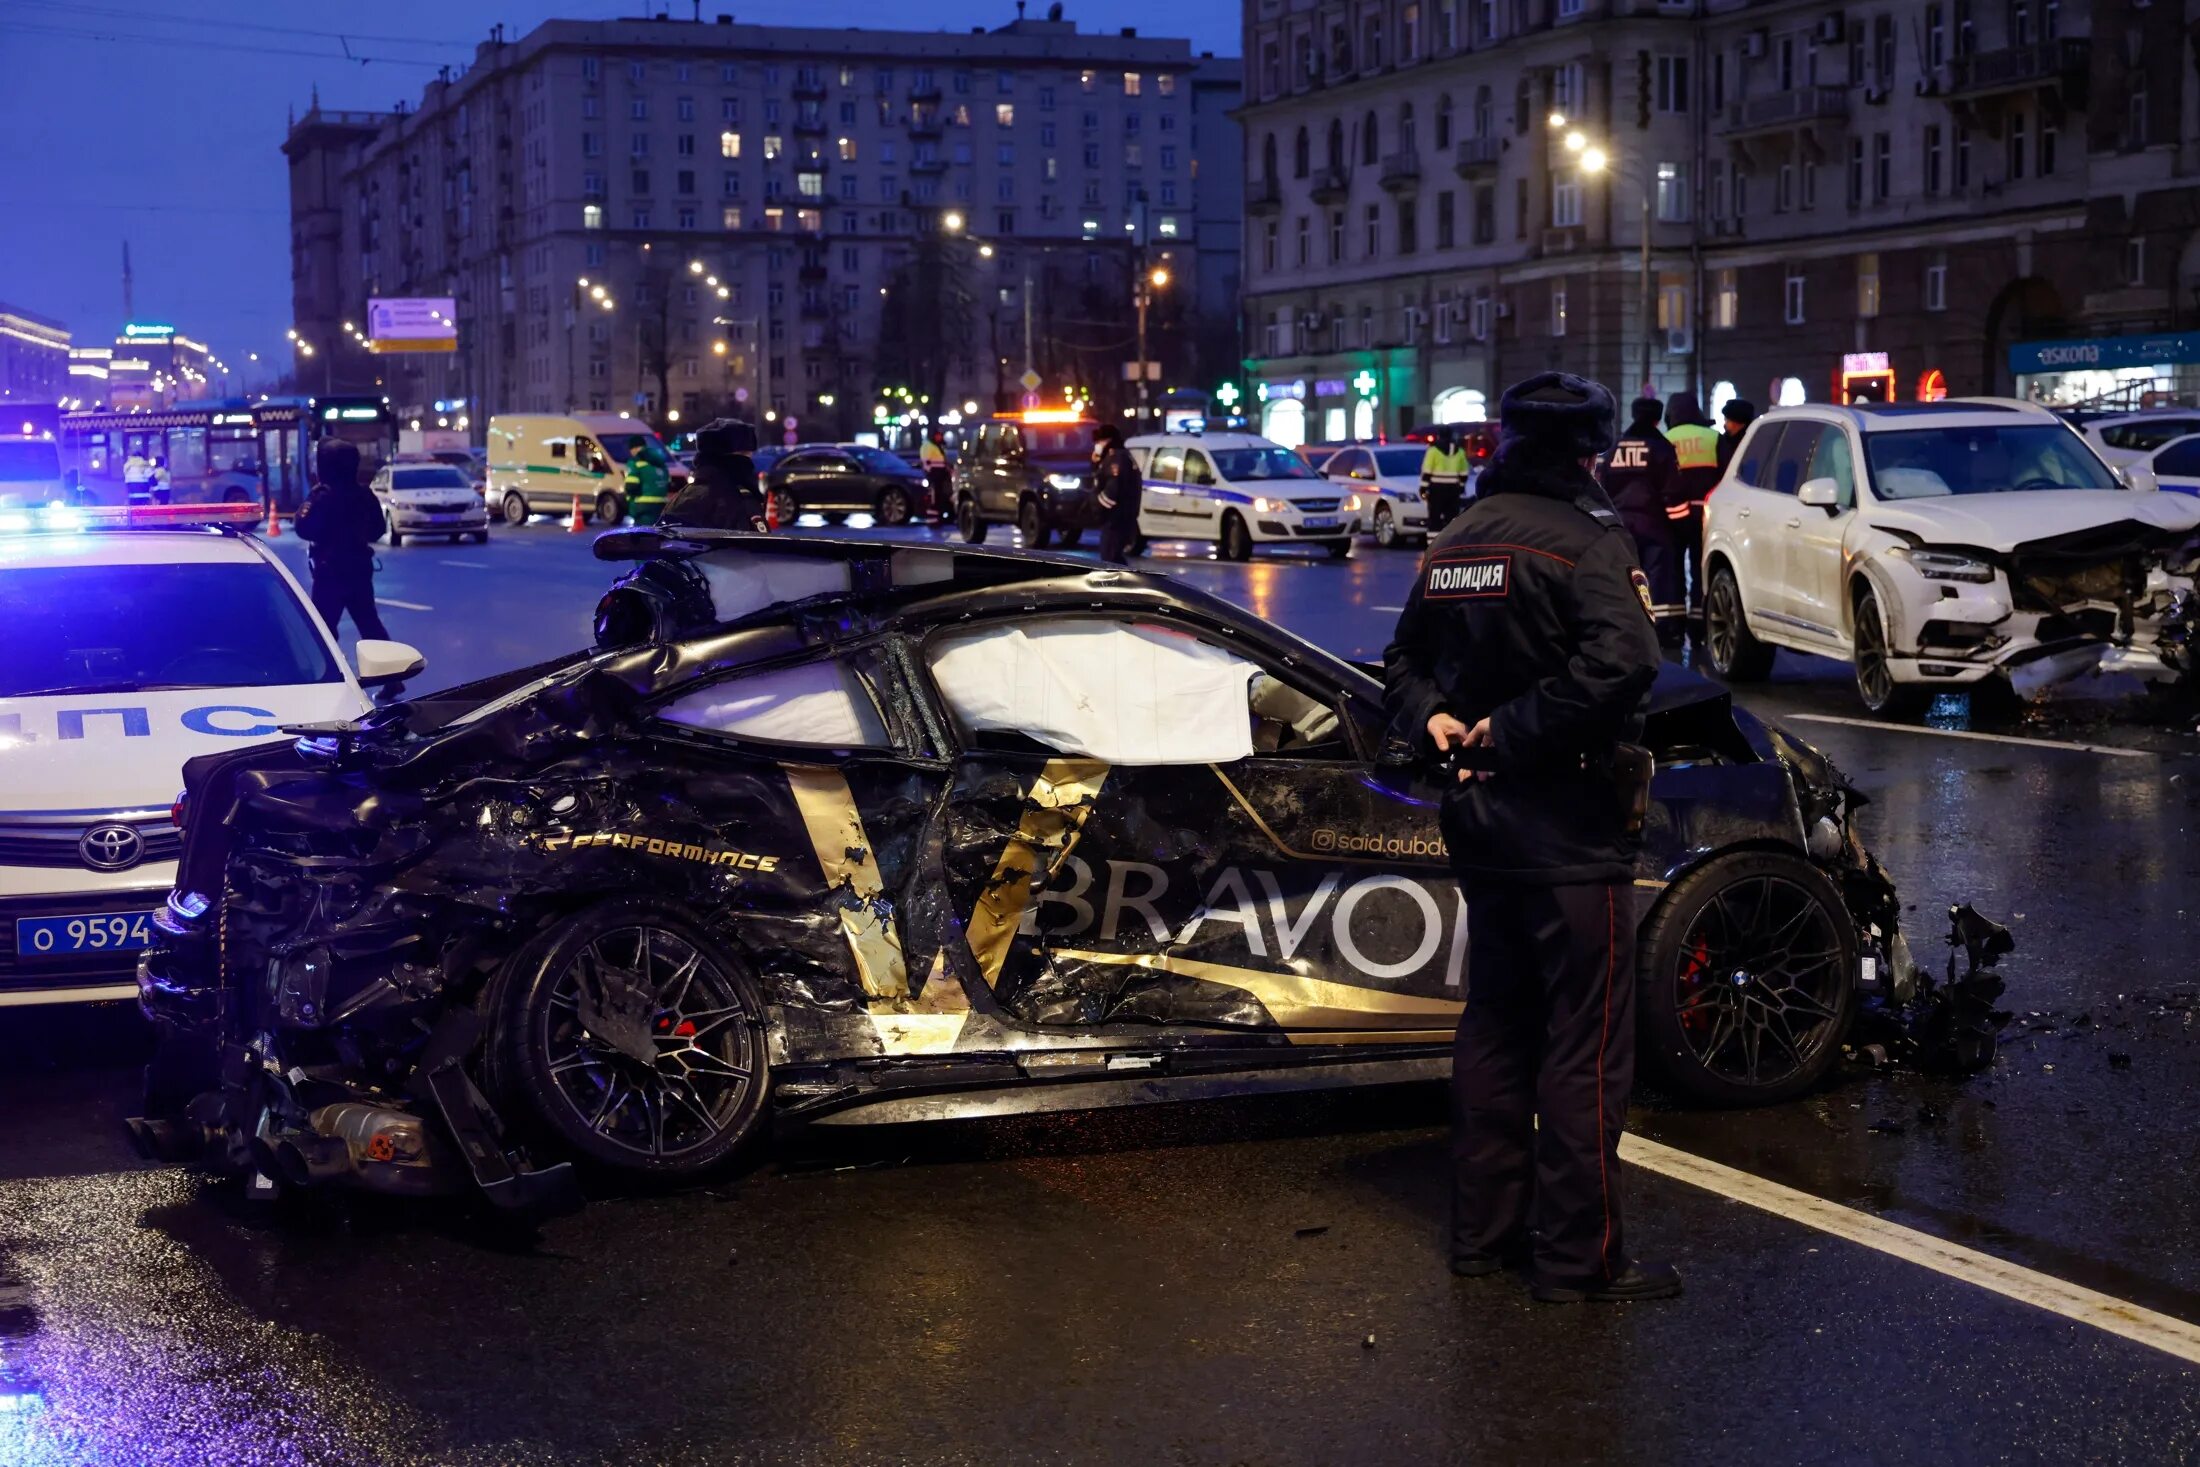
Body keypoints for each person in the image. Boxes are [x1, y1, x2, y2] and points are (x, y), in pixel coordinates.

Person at [1383, 370, 1676, 1304]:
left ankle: (1483, 1236)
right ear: (1586, 452)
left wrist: (1434, 717)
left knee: (1497, 1027)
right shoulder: (1587, 541)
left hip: (1480, 826)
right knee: (1585, 1047)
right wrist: (1512, 731)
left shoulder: (1457, 539)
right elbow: (1628, 662)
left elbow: (1402, 657)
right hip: (1569, 825)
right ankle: (1577, 1261)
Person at [1597, 395, 1685, 644]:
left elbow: (1600, 488)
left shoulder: (1613, 449)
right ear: (1657, 420)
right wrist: (1681, 526)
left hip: (1621, 524)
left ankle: (1624, 626)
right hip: (1654, 523)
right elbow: (1673, 490)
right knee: (1658, 577)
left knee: (1624, 575)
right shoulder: (1661, 449)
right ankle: (1661, 630)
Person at [294, 439, 390, 642]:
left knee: (322, 633)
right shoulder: (364, 495)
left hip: (330, 570)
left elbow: (303, 527)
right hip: (359, 567)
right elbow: (378, 529)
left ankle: (326, 671)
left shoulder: (322, 496)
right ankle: (388, 667)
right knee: (369, 623)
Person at [1662, 391, 1722, 623]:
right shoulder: (1713, 438)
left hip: (1675, 515)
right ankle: (1699, 621)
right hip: (1706, 514)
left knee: (1675, 568)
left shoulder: (1666, 439)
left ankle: (1676, 622)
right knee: (1700, 569)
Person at [661, 417, 765, 530]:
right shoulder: (737, 499)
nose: (750, 460)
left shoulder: (682, 497)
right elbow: (757, 544)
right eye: (746, 454)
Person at [1092, 423, 1141, 565]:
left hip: (1115, 519)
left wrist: (1097, 506)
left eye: (1099, 441)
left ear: (1107, 440)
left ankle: (1122, 585)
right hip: (1120, 518)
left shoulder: (1116, 459)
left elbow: (1112, 491)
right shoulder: (1119, 456)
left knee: (1111, 559)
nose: (1097, 445)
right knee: (1113, 558)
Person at [1420, 424, 1472, 533]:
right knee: (1452, 519)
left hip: (1436, 489)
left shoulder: (1433, 451)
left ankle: (1432, 545)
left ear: (1438, 436)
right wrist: (1461, 487)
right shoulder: (1460, 451)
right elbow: (1464, 472)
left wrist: (1423, 488)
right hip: (1453, 489)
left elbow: (1427, 472)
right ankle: (1450, 544)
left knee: (1434, 519)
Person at [622, 433, 671, 526]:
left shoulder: (636, 462)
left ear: (635, 448)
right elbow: (668, 483)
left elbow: (631, 486)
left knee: (641, 535)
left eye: (631, 449)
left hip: (643, 506)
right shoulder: (660, 461)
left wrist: (628, 498)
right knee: (656, 533)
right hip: (661, 505)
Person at [1715, 397, 1757, 476]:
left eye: (1727, 420)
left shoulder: (1749, 442)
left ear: (1738, 422)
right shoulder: (1724, 440)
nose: (1725, 424)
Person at [920, 427, 952, 523]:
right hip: (934, 474)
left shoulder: (939, 446)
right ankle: (933, 518)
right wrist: (931, 473)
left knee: (941, 495)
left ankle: (940, 515)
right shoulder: (928, 446)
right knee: (935, 496)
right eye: (937, 435)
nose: (939, 437)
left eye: (940, 435)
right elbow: (926, 462)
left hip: (941, 474)